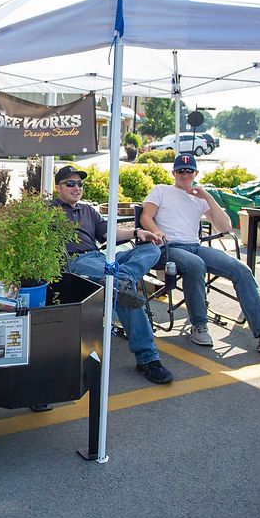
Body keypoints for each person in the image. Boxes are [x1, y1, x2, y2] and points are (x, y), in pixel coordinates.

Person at [140, 154, 260, 353]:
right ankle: (199, 325)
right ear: (173, 173)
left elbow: (224, 227)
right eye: (180, 171)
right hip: (167, 248)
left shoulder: (199, 197)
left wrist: (207, 196)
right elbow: (145, 217)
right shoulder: (161, 190)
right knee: (195, 264)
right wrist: (158, 232)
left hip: (195, 247)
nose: (185, 174)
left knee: (241, 269)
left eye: (189, 171)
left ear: (196, 173)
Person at [51, 165, 173, 384]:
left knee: (151, 249)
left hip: (102, 258)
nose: (76, 188)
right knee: (122, 292)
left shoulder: (88, 210)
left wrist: (138, 232)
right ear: (58, 187)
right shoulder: (47, 210)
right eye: (70, 183)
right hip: (76, 262)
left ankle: (123, 279)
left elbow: (108, 233)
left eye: (80, 183)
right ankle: (148, 359)